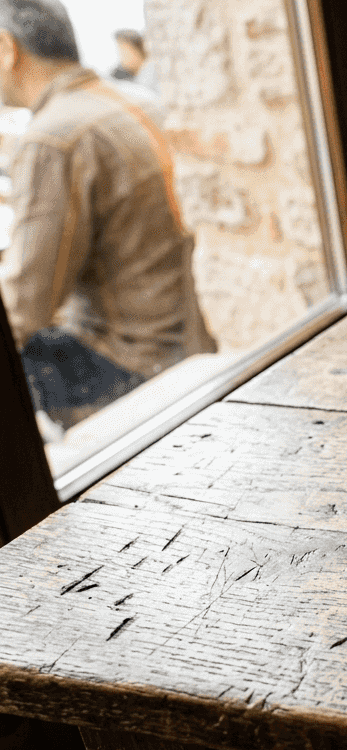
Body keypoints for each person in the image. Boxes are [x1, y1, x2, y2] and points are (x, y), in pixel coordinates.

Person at [0, 0, 215, 430]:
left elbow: (25, 308)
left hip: (133, 364)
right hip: (186, 334)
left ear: (6, 49)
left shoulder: (51, 138)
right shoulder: (138, 99)